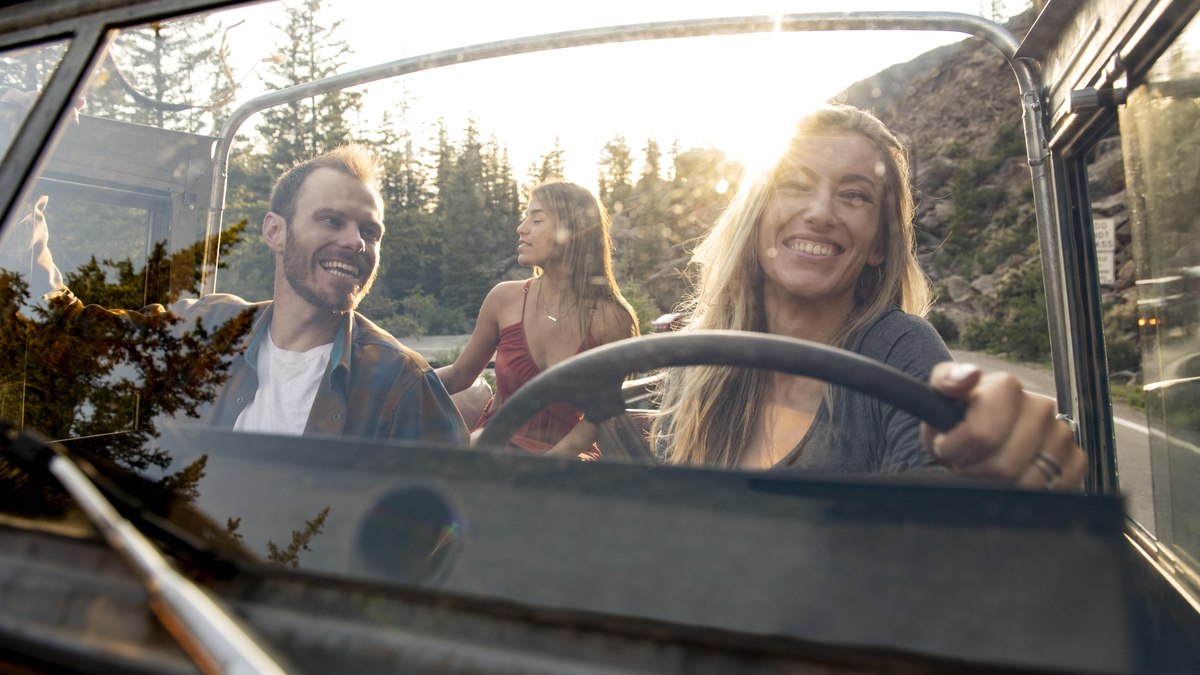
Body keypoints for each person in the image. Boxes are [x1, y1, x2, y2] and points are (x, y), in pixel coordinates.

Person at [652, 104, 1086, 490]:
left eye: (854, 195)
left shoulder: (899, 352)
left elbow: (940, 510)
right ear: (757, 217)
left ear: (879, 244)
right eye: (796, 184)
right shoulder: (697, 365)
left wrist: (986, 472)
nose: (821, 212)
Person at [9, 142, 468, 444]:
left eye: (371, 231)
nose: (356, 242)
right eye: (332, 220)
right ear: (275, 231)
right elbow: (61, 331)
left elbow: (445, 541)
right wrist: (24, 169)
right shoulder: (208, 331)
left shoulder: (402, 385)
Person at [437, 180, 638, 458]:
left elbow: (598, 416)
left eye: (537, 219)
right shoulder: (504, 298)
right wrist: (400, 384)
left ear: (572, 232)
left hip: (565, 458)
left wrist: (546, 467)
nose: (521, 228)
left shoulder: (611, 319)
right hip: (492, 446)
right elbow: (459, 375)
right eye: (525, 218)